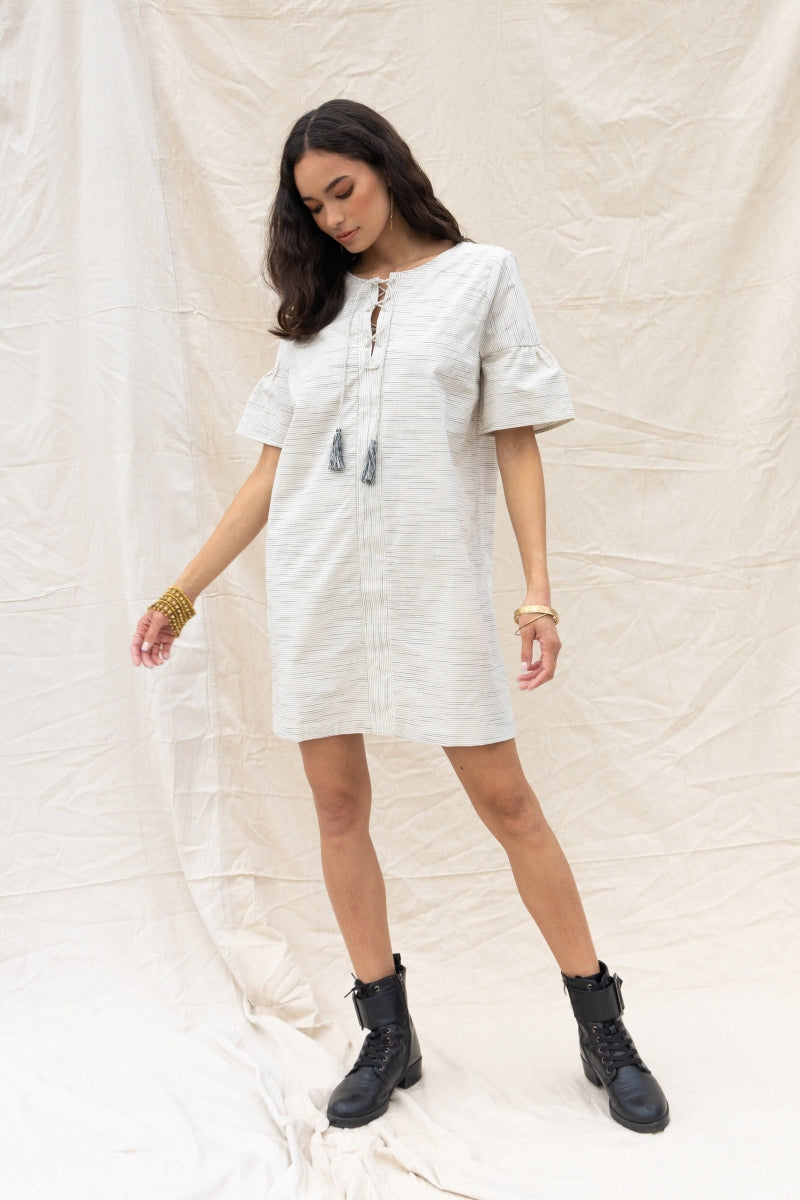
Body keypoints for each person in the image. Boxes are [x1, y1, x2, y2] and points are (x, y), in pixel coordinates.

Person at [130, 99, 669, 1135]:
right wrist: (179, 594)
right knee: (337, 807)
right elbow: (270, 473)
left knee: (510, 805)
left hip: (434, 585)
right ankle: (386, 1033)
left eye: (344, 190)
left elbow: (516, 437)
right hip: (318, 585)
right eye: (312, 206)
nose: (333, 218)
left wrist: (537, 589)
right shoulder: (316, 308)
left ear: (385, 167)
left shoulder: (481, 278)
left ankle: (603, 1028)